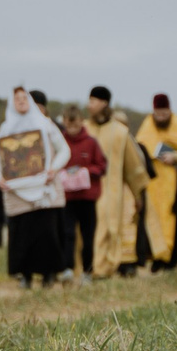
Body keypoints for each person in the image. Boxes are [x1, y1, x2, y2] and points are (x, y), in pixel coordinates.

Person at [0, 87, 71, 287]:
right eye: (16, 98)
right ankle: (24, 274)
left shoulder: (45, 125)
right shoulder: (5, 128)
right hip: (17, 191)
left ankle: (48, 274)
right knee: (21, 235)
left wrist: (54, 168)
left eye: (23, 98)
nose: (20, 101)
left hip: (44, 188)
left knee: (47, 233)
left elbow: (64, 150)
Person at [82, 88, 148, 279]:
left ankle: (103, 268)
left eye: (93, 101)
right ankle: (87, 267)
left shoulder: (120, 132)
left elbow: (133, 167)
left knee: (107, 229)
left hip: (111, 192)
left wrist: (138, 195)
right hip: (84, 190)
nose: (89, 105)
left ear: (104, 103)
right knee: (86, 231)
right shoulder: (84, 129)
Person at [135, 94, 177, 272]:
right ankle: (157, 258)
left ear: (169, 111)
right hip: (154, 184)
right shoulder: (147, 126)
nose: (161, 116)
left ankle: (173, 259)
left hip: (175, 183)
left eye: (164, 112)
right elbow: (139, 148)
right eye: (158, 113)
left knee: (175, 220)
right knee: (154, 220)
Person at [58, 106, 108, 280]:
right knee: (68, 234)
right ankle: (67, 268)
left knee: (88, 236)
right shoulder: (59, 143)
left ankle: (87, 270)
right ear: (64, 123)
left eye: (75, 125)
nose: (72, 129)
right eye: (68, 126)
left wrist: (86, 172)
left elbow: (102, 166)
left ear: (81, 122)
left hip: (87, 198)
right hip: (67, 198)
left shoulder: (91, 143)